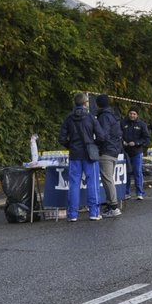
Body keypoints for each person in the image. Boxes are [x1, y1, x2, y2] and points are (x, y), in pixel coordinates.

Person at [58, 91, 103, 220]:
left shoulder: (69, 118)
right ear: (85, 103)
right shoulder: (90, 118)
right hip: (90, 154)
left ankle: (72, 214)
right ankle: (94, 213)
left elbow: (61, 138)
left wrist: (70, 145)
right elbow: (102, 136)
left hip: (74, 154)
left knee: (73, 184)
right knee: (92, 183)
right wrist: (94, 145)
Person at [93, 93, 124, 215]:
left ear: (98, 104)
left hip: (106, 150)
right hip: (115, 150)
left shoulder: (104, 117)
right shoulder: (113, 115)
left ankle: (114, 207)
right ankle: (110, 204)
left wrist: (94, 142)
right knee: (109, 178)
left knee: (107, 179)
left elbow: (103, 135)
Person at [120, 107, 150, 199]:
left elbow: (146, 139)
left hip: (137, 152)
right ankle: (126, 193)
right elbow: (118, 135)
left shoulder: (142, 124)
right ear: (128, 114)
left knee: (137, 172)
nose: (132, 115)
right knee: (127, 173)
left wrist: (136, 143)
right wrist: (122, 142)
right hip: (126, 152)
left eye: (134, 114)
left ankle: (140, 193)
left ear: (137, 115)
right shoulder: (123, 123)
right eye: (131, 113)